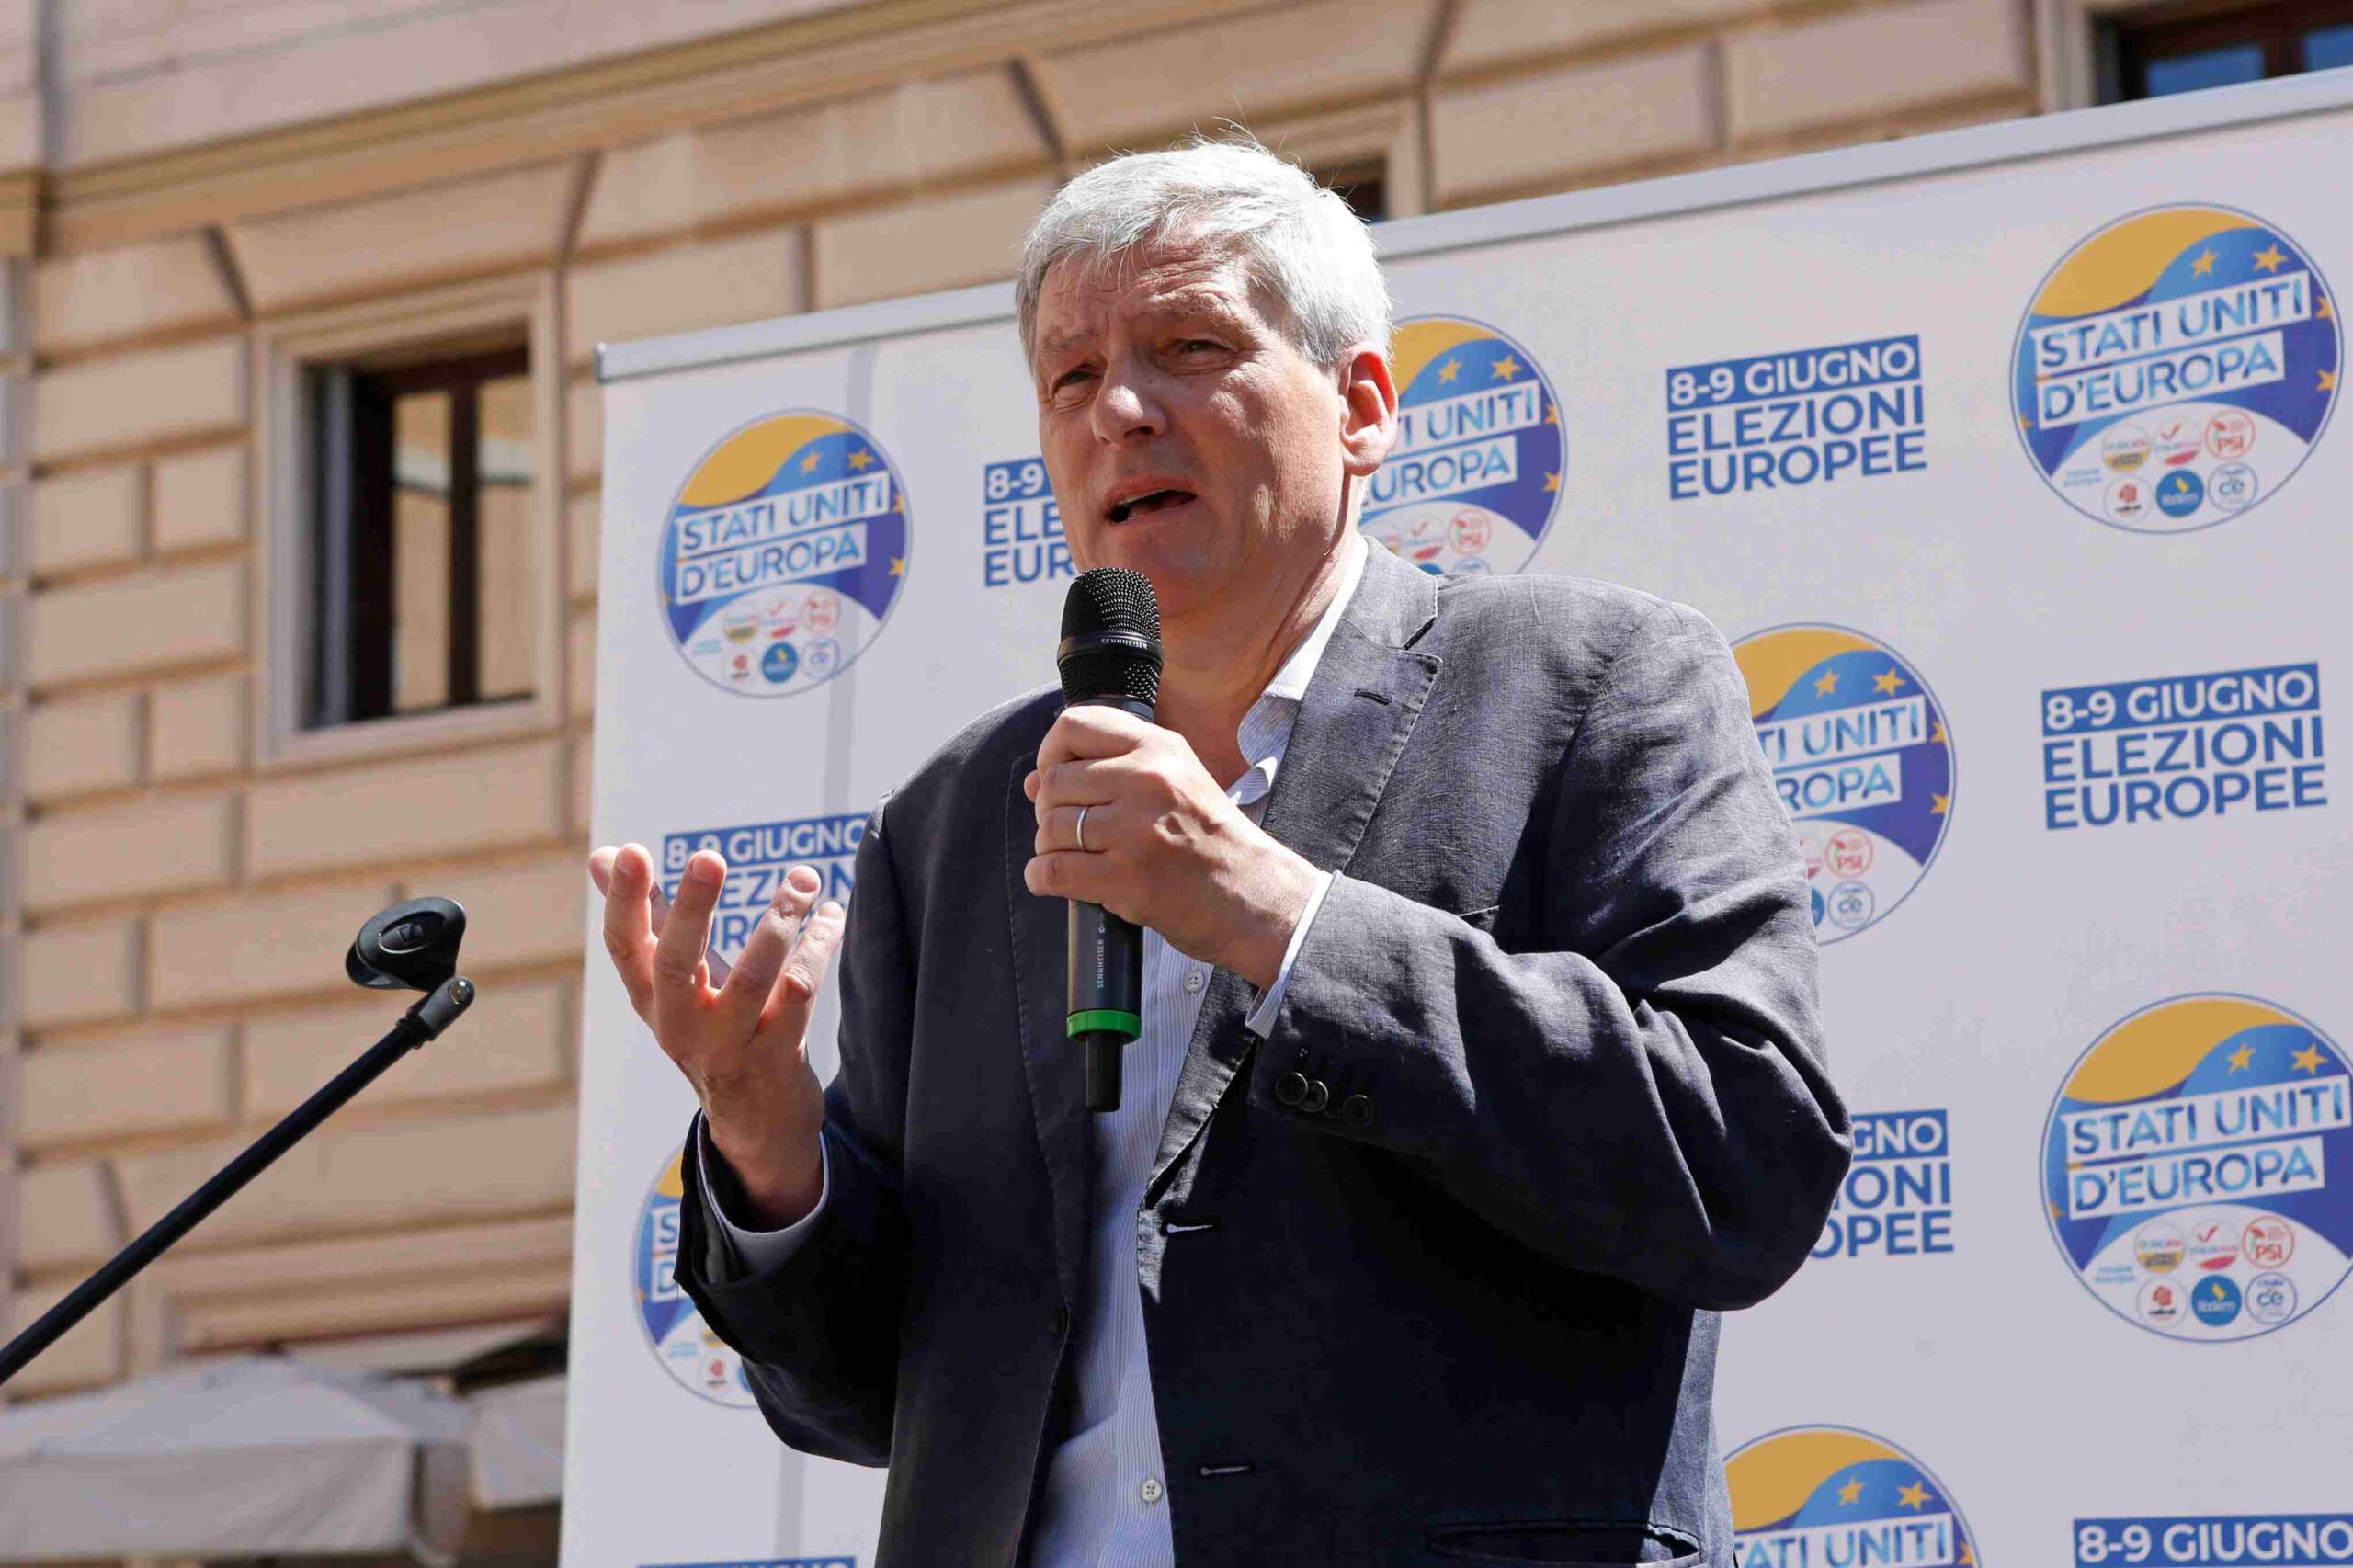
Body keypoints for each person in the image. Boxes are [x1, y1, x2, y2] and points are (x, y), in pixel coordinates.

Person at [590, 137, 1849, 1568]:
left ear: (1361, 407)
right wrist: (771, 1151)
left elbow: (1746, 1159)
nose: (1119, 410)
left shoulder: (1595, 683)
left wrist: (1282, 917)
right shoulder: (953, 821)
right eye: (1071, 378)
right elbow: (871, 1395)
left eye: (1190, 348)